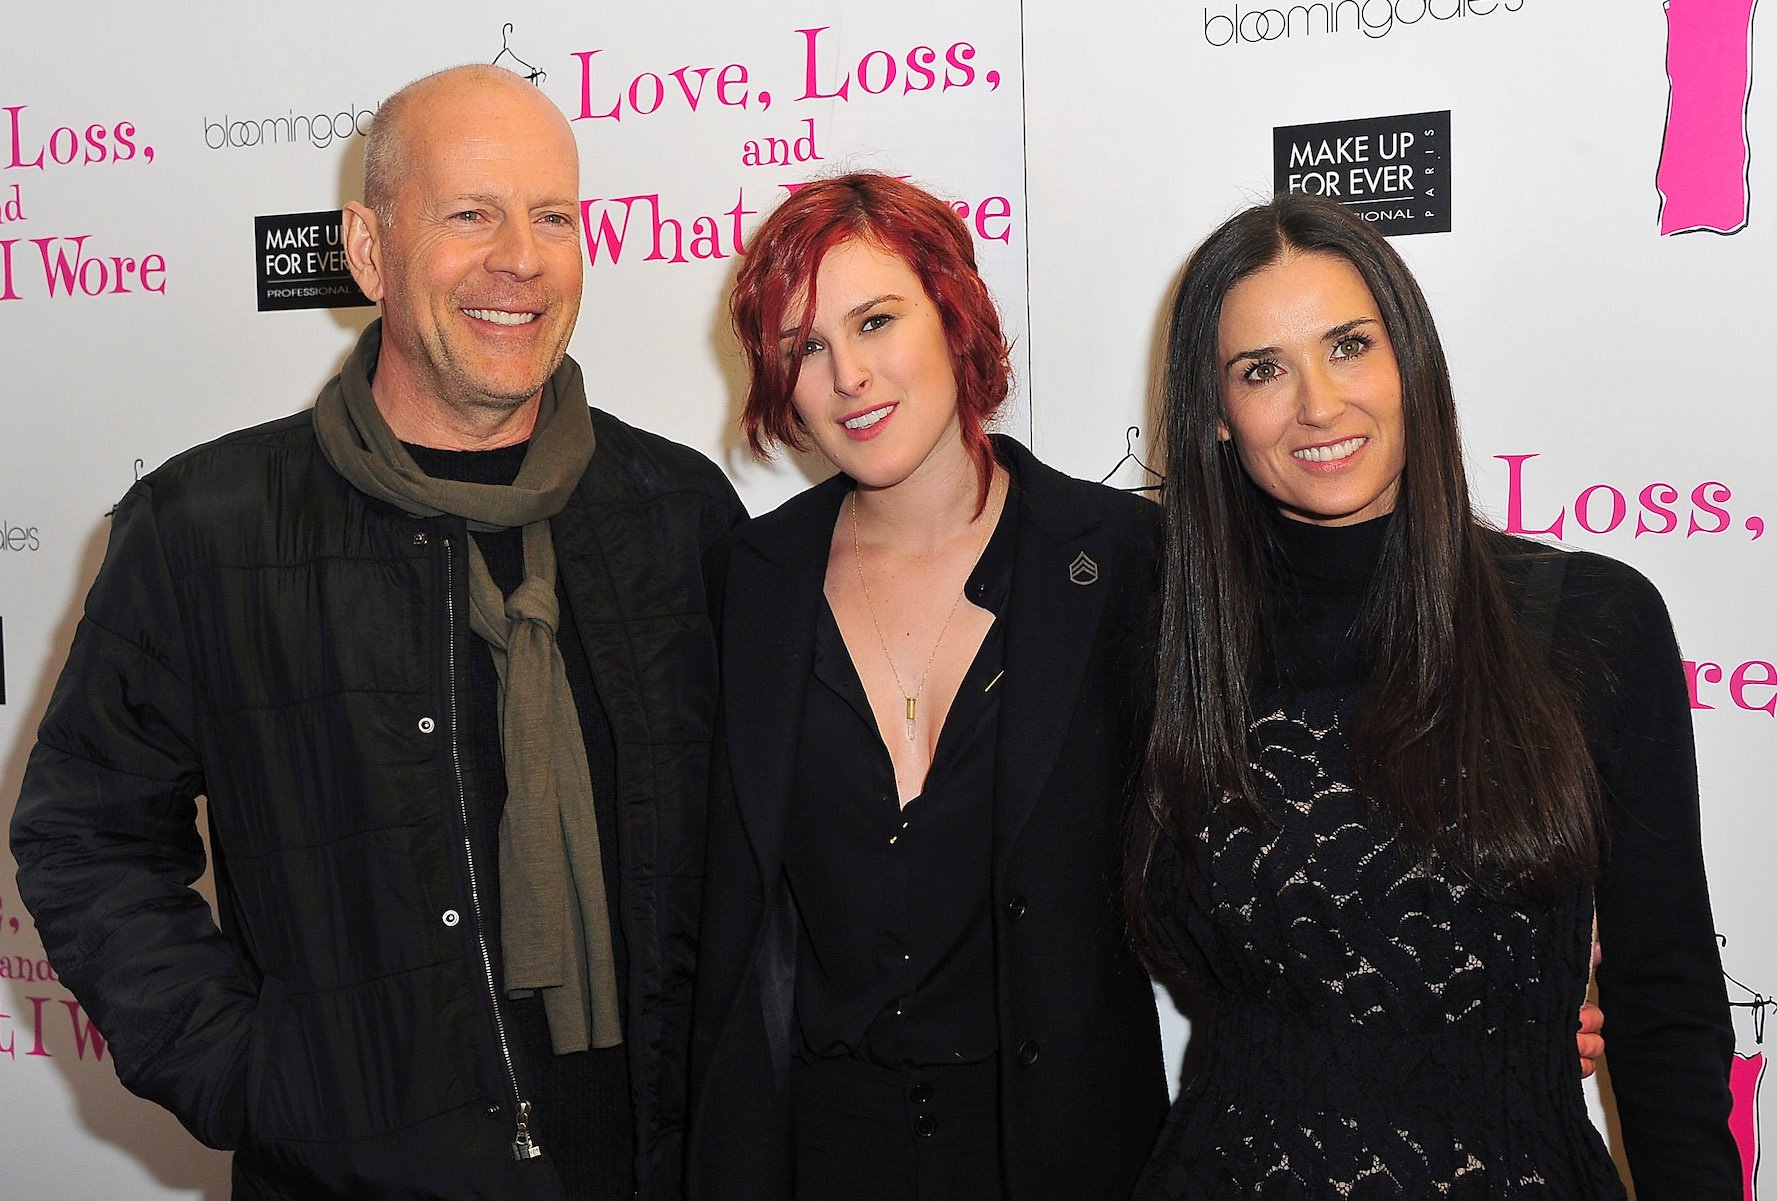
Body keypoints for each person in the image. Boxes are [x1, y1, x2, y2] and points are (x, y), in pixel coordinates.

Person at [10, 64, 741, 1200]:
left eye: (554, 216)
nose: (521, 257)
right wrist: (261, 1079)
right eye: (469, 214)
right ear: (366, 248)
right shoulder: (205, 528)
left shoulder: (676, 511)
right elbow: (84, 838)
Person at [1127, 192, 1738, 1197]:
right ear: (1219, 417)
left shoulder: (1590, 620)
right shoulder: (1168, 642)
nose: (1317, 403)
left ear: (1411, 362)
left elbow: (1663, 997)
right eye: (1261, 369)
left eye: (1349, 346)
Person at [685, 172, 1170, 1200]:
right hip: (818, 1156)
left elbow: (1252, 819)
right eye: (804, 346)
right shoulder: (747, 584)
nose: (848, 374)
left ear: (954, 316)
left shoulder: (1125, 562)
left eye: (875, 320)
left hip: (1064, 1151)